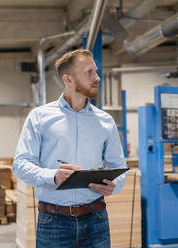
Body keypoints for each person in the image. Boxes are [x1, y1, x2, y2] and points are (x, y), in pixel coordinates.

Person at [13, 49, 127, 248]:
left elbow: (119, 166)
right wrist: (52, 176)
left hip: (96, 220)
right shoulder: (39, 117)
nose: (97, 78)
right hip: (54, 222)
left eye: (96, 71)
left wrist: (114, 185)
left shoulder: (105, 121)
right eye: (89, 72)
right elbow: (20, 164)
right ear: (68, 79)